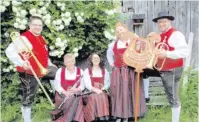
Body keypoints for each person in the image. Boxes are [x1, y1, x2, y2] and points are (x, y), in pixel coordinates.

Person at [5, 14, 58, 122]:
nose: (38, 27)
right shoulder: (24, 38)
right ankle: (27, 120)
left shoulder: (41, 37)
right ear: (29, 25)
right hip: (29, 72)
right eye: (35, 25)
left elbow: (43, 53)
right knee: (28, 97)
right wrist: (21, 63)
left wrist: (50, 63)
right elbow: (9, 51)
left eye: (40, 25)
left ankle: (58, 99)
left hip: (42, 68)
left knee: (57, 73)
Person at [149, 11, 189, 122]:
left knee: (173, 97)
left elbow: (185, 52)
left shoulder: (176, 34)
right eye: (159, 22)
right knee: (170, 96)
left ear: (169, 21)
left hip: (172, 69)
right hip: (163, 69)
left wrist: (167, 54)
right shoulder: (160, 35)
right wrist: (151, 40)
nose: (161, 24)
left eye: (164, 22)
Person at [106, 22, 147, 122]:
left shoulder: (133, 40)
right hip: (119, 71)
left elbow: (142, 50)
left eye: (121, 29)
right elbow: (109, 55)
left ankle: (131, 115)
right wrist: (112, 64)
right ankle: (120, 115)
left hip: (131, 71)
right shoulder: (113, 44)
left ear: (126, 30)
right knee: (120, 93)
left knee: (131, 92)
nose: (120, 32)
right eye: (118, 31)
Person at [52, 53, 85, 122]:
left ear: (74, 61)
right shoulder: (60, 71)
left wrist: (76, 89)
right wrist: (64, 92)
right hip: (62, 95)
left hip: (75, 93)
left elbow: (83, 85)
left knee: (76, 94)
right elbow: (57, 85)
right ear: (65, 63)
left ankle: (72, 118)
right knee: (73, 97)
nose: (70, 64)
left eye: (72, 61)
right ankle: (68, 118)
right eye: (68, 62)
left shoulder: (80, 71)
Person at [83, 53, 110, 122]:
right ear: (91, 60)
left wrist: (103, 88)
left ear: (100, 59)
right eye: (94, 58)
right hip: (90, 91)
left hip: (101, 90)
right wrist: (94, 89)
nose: (96, 59)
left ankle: (103, 118)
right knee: (94, 96)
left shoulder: (104, 71)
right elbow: (87, 84)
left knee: (102, 96)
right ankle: (95, 118)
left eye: (97, 58)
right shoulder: (87, 71)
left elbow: (108, 83)